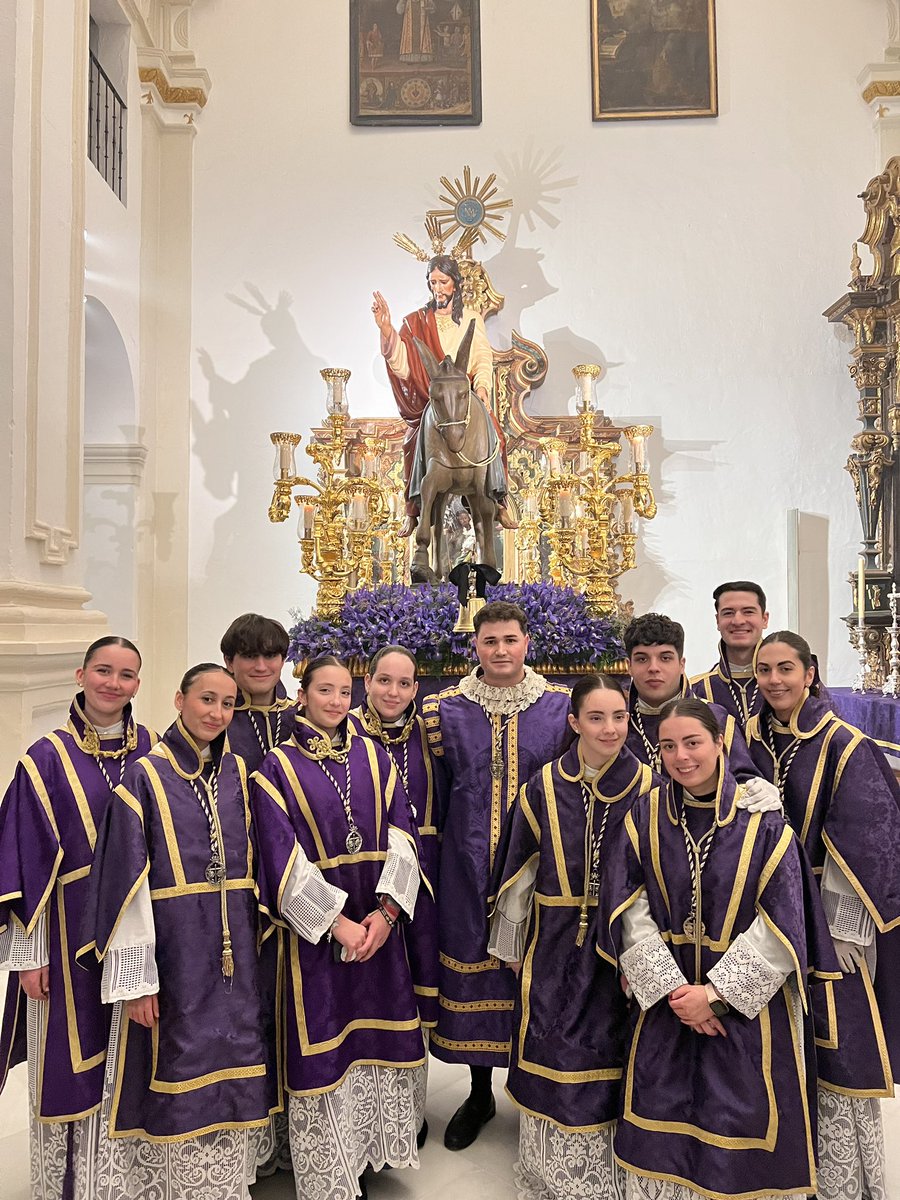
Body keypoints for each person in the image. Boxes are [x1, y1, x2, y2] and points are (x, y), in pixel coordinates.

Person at [599, 697, 839, 1200]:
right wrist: (672, 990)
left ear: (720, 744)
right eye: (668, 746)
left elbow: (783, 921)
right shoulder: (643, 816)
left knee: (742, 1111)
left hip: (745, 1011)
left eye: (693, 743)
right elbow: (628, 906)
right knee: (663, 1112)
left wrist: (715, 995)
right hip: (668, 998)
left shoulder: (763, 821)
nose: (681, 757)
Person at [79, 663, 275, 1199]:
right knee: (177, 1054)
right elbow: (126, 884)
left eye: (227, 704)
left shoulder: (237, 772)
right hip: (176, 952)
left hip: (235, 948)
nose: (216, 713)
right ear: (178, 700)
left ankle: (228, 1184)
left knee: (236, 1053)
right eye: (206, 700)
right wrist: (138, 980)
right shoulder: (145, 775)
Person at [251, 655, 426, 1200]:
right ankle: (328, 1164)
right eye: (324, 690)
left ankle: (366, 1147)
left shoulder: (376, 757)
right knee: (326, 1043)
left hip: (378, 927)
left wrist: (387, 912)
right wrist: (338, 925)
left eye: (344, 692)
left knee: (376, 1034)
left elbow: (404, 835)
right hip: (320, 940)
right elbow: (278, 858)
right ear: (300, 694)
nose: (335, 701)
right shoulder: (274, 768)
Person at [488, 674, 656, 1200]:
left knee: (614, 1046)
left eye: (620, 717)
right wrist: (514, 946)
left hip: (620, 943)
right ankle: (554, 1173)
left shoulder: (650, 784)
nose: (610, 729)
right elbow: (519, 867)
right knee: (552, 1042)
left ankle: (612, 1172)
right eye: (597, 717)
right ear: (574, 722)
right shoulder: (542, 784)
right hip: (553, 941)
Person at [747, 631, 900, 1200]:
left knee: (838, 1052)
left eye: (786, 668)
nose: (775, 680)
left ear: (810, 672)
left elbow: (871, 840)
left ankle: (843, 1185)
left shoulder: (844, 744)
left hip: (827, 924)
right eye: (765, 670)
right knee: (776, 1051)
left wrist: (841, 934)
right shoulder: (748, 740)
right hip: (761, 922)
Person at [0, 637, 154, 1200]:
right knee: (73, 1062)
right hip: (66, 934)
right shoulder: (44, 758)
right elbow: (20, 864)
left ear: (140, 682)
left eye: (127, 674)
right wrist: (28, 956)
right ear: (81, 674)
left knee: (132, 1056)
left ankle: (128, 1181)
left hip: (139, 932)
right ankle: (72, 1186)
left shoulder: (154, 750)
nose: (114, 683)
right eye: (103, 671)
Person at [422, 600, 572, 1150]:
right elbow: (432, 792)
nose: (501, 651)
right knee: (476, 972)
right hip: (463, 869)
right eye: (490, 642)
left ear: (527, 642)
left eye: (510, 639)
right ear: (475, 646)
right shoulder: (444, 710)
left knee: (539, 977)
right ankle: (480, 1092)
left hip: (543, 867)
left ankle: (535, 1093)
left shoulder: (560, 708)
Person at [349, 644, 441, 1146]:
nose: (393, 692)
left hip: (420, 884)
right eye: (385, 681)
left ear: (416, 688)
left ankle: (409, 1110)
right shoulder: (346, 732)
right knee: (371, 996)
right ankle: (364, 1114)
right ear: (367, 682)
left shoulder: (432, 735)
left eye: (405, 684)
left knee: (415, 1000)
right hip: (364, 884)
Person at [372, 253, 516, 535]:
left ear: (455, 284)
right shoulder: (417, 322)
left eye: (443, 281)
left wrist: (484, 387)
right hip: (434, 401)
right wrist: (387, 329)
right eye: (433, 282)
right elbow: (401, 361)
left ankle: (499, 499)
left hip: (463, 398)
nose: (437, 288)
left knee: (496, 436)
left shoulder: (471, 318)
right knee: (411, 443)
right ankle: (413, 511)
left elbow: (482, 358)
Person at [624, 612, 761, 784]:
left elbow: (745, 781)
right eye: (642, 659)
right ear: (629, 666)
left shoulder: (716, 718)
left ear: (681, 665)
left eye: (665, 658)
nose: (653, 668)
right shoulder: (617, 721)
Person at [220, 612, 295, 774]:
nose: (261, 667)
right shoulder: (214, 719)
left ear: (283, 660)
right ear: (229, 662)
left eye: (270, 655)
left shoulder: (301, 717)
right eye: (250, 656)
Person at [690, 580, 769, 729]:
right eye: (728, 613)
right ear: (718, 621)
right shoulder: (696, 691)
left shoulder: (790, 684)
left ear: (764, 619)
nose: (738, 620)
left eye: (748, 612)